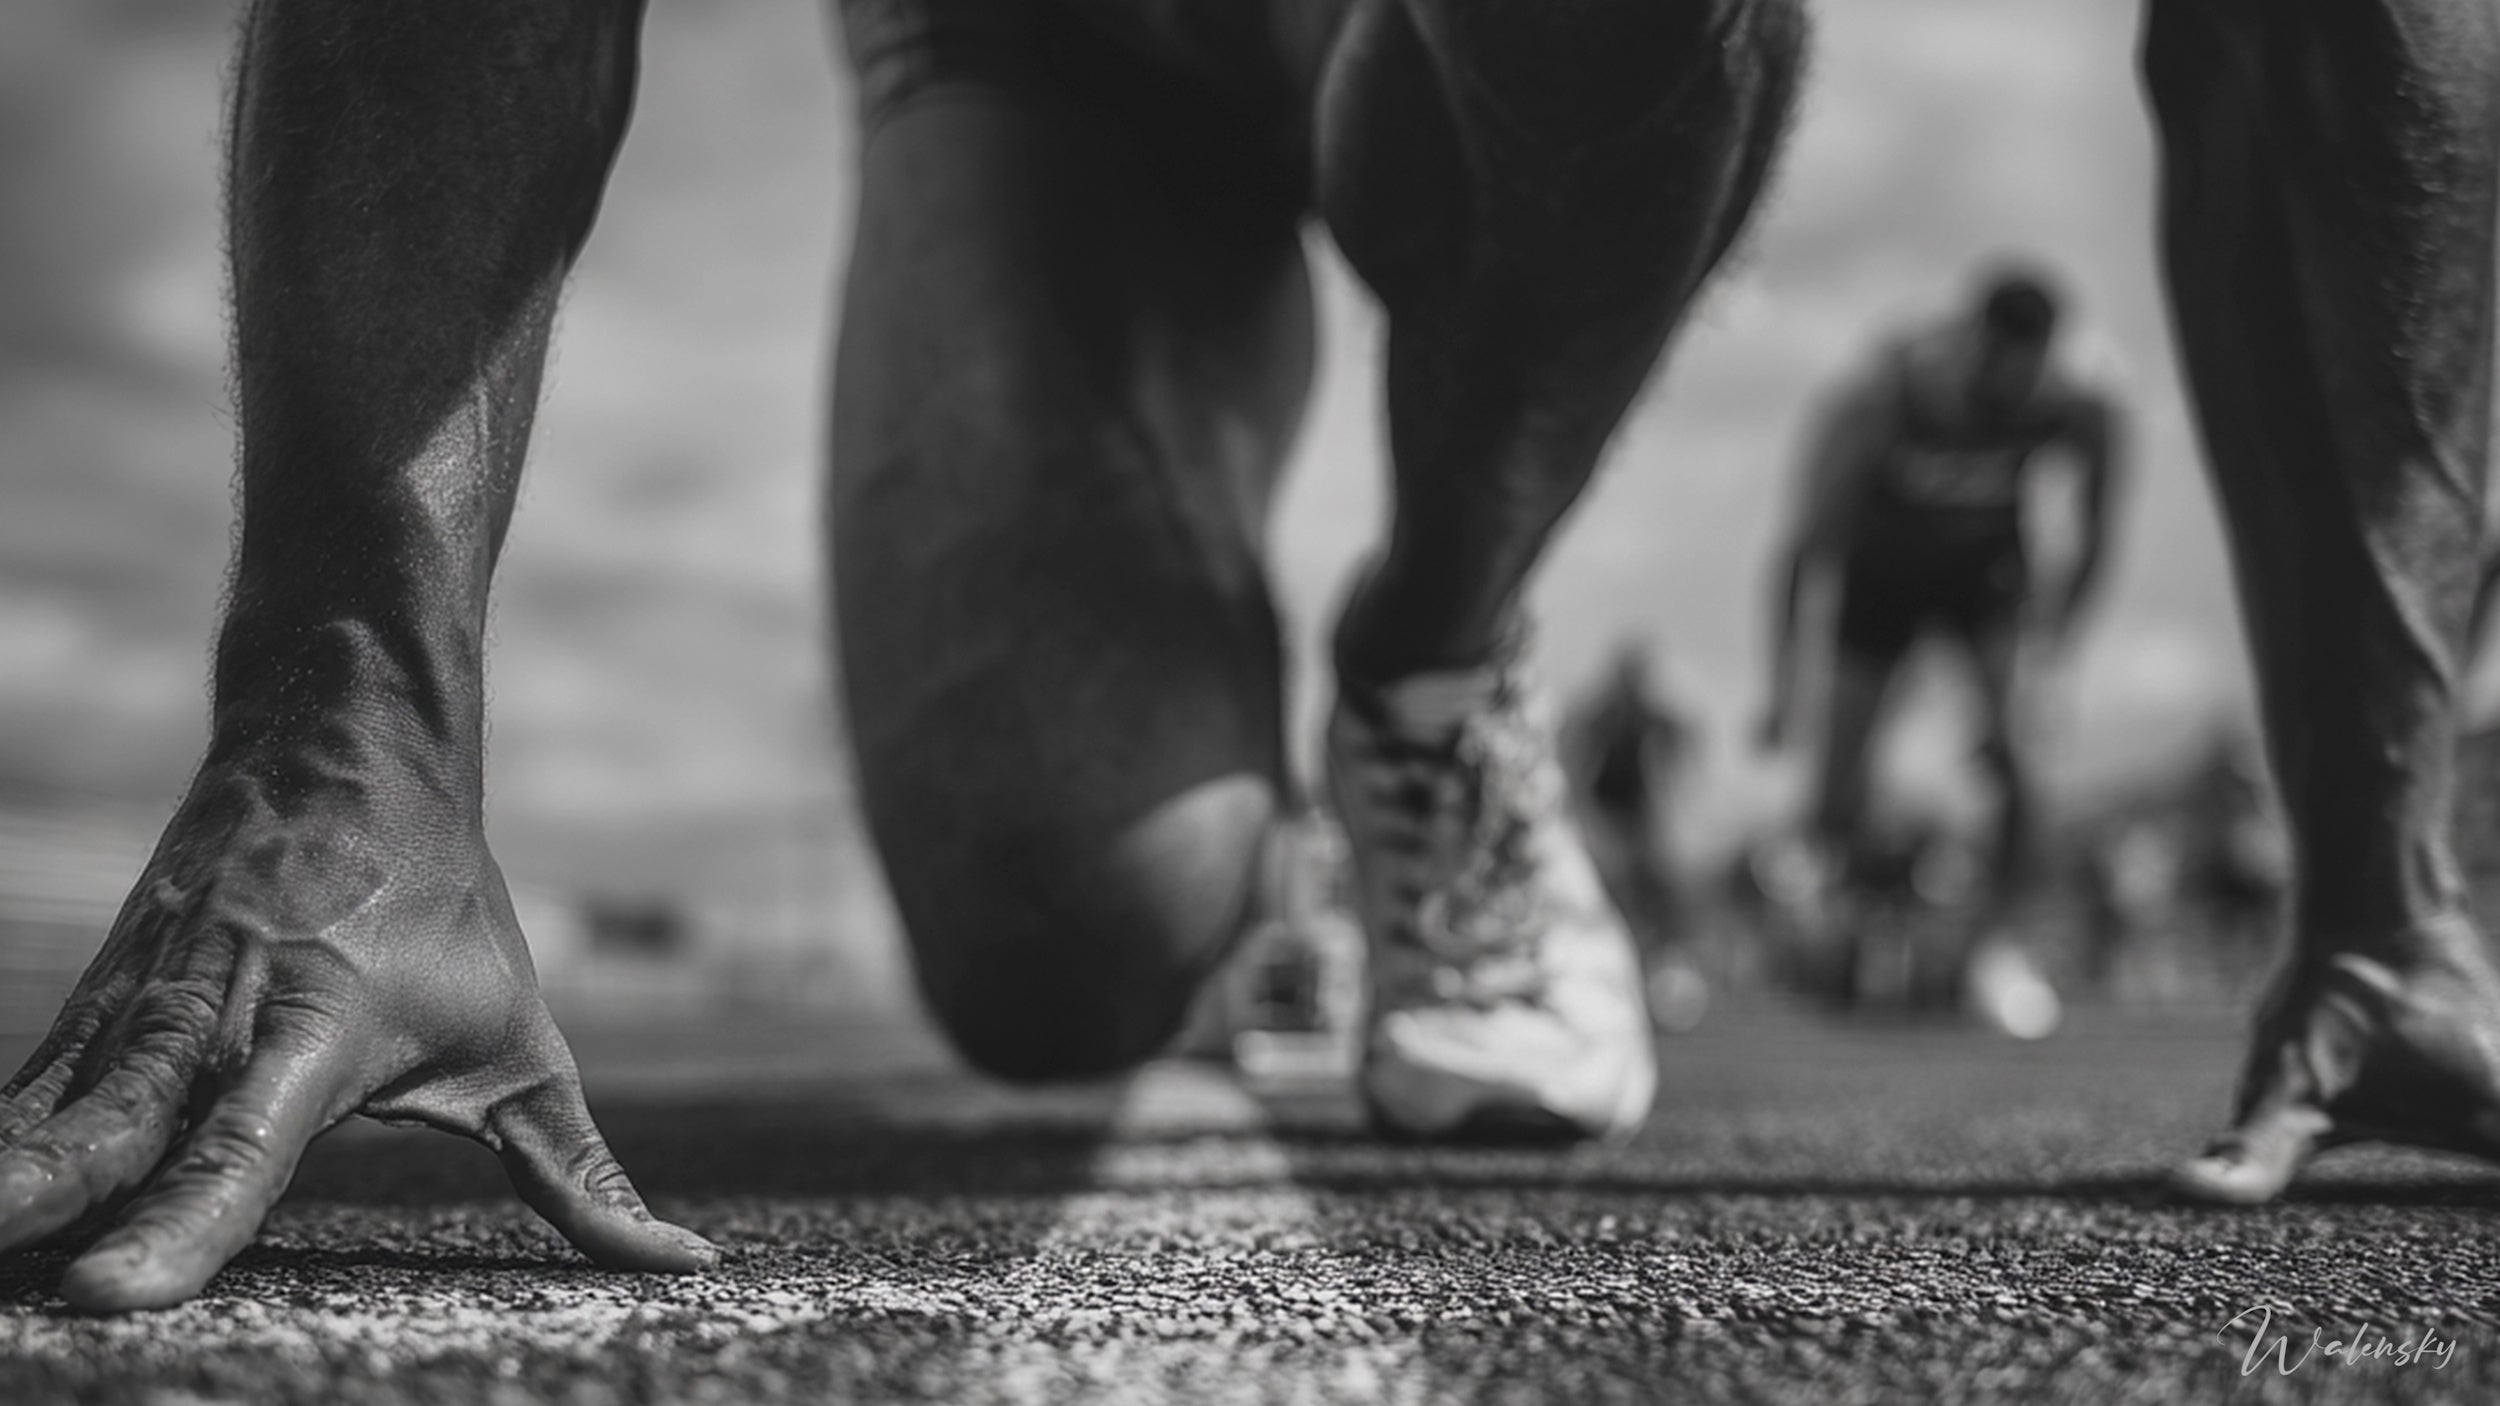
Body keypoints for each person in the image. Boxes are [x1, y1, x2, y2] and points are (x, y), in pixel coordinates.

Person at [1, 0, 2494, 1313]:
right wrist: (352, 715)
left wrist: (2384, 867)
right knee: (1076, 926)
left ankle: (1439, 645)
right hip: (1050, 43)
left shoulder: (2027, 405)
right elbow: (1836, 569)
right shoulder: (1881, 425)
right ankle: (1202, 451)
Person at [1756, 267, 2122, 1030]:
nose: (2012, 391)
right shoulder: (1885, 397)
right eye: (1999, 372)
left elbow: (2096, 536)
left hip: (1983, 578)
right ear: (1972, 346)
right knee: (1836, 791)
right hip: (1881, 575)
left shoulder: (2082, 403)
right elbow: (1802, 552)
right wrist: (1784, 687)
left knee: (2022, 760)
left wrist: (2052, 663)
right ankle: (1850, 936)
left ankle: (1996, 951)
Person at [1565, 644, 1708, 1029]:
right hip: (1605, 815)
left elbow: (1683, 734)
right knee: (1608, 895)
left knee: (1666, 893)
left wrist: (1681, 775)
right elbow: (1572, 748)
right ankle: (1598, 982)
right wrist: (1578, 810)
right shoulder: (1602, 712)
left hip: (1639, 816)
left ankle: (1666, 973)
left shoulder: (1649, 712)